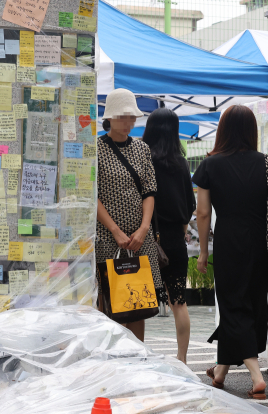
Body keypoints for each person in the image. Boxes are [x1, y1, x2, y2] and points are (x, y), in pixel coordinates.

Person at [192, 105, 268, 400]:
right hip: (261, 240)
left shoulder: (210, 164)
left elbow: (203, 214)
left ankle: (256, 377)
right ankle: (221, 371)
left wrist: (203, 252)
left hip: (230, 240)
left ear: (223, 131)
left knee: (233, 306)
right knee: (252, 304)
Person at [96, 88, 168, 342]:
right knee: (109, 302)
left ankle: (137, 358)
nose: (128, 123)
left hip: (139, 236)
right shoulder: (96, 149)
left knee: (139, 303)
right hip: (107, 238)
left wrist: (144, 228)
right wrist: (115, 231)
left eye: (132, 118)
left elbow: (150, 190)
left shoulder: (142, 149)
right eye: (123, 117)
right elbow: (92, 196)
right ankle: (110, 360)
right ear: (110, 118)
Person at [143, 108, 196, 364]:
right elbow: (189, 206)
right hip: (175, 240)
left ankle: (137, 357)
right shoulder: (181, 163)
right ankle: (182, 359)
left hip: (146, 239)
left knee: (138, 301)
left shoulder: (143, 160)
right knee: (179, 302)